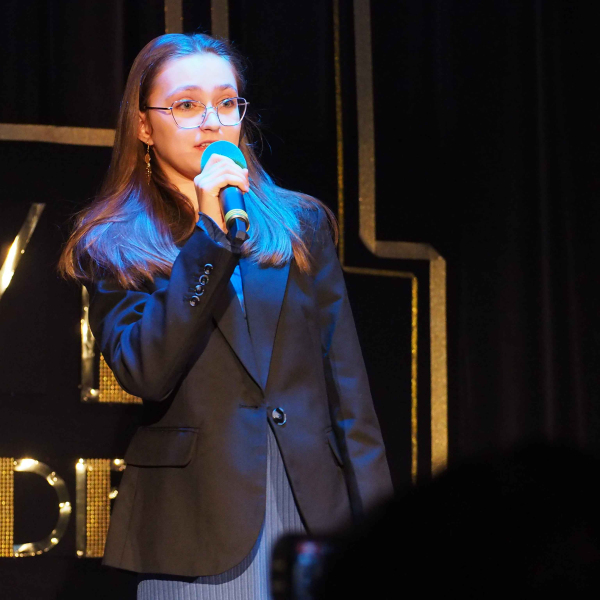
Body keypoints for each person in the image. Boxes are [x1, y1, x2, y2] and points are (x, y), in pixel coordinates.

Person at [59, 33, 393, 599]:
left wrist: (387, 532)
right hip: (198, 524)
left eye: (226, 103)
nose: (211, 122)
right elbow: (146, 370)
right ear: (144, 126)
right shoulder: (114, 242)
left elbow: (349, 393)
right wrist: (209, 236)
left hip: (312, 510)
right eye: (186, 105)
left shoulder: (299, 223)